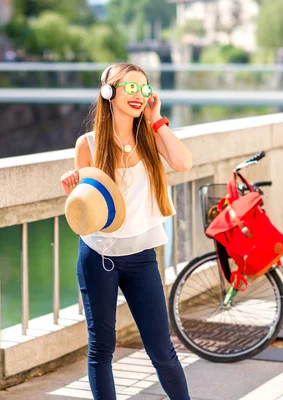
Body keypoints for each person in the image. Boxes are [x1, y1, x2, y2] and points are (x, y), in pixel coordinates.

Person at [61, 63, 192, 400]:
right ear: (110, 91)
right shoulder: (87, 145)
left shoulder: (150, 136)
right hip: (98, 257)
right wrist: (73, 191)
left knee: (162, 351)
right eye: (131, 88)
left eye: (145, 89)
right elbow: (90, 208)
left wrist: (157, 119)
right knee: (102, 349)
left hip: (140, 258)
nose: (139, 96)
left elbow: (183, 162)